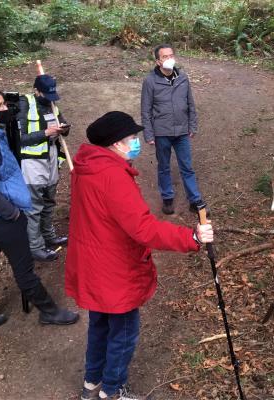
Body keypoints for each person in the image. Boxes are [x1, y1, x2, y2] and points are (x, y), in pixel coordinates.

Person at [65, 111, 214, 400]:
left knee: (99, 327)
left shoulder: (86, 167)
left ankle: (91, 383)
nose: (136, 143)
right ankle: (112, 390)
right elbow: (143, 229)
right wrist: (191, 237)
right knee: (122, 333)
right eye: (132, 139)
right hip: (113, 269)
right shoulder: (112, 176)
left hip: (93, 265)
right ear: (115, 144)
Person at [0, 88, 78, 337]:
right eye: (1, 106)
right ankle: (49, 311)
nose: (6, 109)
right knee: (24, 270)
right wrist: (13, 214)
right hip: (2, 218)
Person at [141, 44, 205, 215]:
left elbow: (191, 104)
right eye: (164, 57)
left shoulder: (183, 78)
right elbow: (145, 110)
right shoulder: (150, 81)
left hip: (182, 131)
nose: (169, 59)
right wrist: (148, 133)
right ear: (158, 62)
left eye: (171, 55)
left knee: (187, 166)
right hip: (162, 132)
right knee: (164, 166)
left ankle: (195, 200)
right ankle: (167, 198)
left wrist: (192, 125)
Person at [17, 74, 69, 262]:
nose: (49, 99)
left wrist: (63, 128)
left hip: (52, 160)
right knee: (34, 206)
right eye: (46, 95)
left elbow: (64, 125)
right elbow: (19, 138)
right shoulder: (25, 105)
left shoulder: (52, 103)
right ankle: (35, 247)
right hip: (31, 163)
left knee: (49, 202)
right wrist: (46, 133)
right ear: (36, 91)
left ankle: (49, 236)